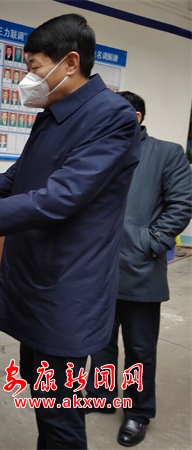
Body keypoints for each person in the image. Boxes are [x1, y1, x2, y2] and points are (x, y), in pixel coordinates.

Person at [0, 14, 140, 449]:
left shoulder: (112, 116)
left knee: (60, 415)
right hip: (36, 279)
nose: (27, 78)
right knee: (43, 395)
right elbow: (17, 176)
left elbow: (61, 197)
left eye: (34, 66)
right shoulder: (53, 114)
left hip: (66, 287)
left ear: (71, 63)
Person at [86, 91, 192, 447]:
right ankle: (100, 396)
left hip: (140, 269)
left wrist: (149, 242)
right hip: (98, 269)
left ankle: (137, 411)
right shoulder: (99, 152)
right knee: (99, 342)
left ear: (135, 116)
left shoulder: (166, 153)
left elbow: (181, 205)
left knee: (139, 348)